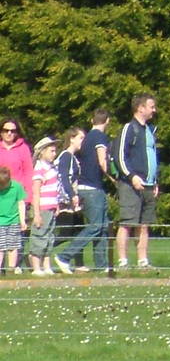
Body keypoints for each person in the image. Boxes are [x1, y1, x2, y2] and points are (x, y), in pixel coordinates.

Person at [58, 110, 112, 274]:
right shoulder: (100, 137)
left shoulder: (86, 139)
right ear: (107, 121)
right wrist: (114, 179)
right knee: (96, 226)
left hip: (87, 188)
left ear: (91, 120)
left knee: (102, 226)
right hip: (92, 188)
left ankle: (101, 265)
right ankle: (64, 256)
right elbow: (102, 162)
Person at [115, 92, 160, 270]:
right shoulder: (129, 128)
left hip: (148, 185)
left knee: (144, 225)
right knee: (127, 223)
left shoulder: (149, 130)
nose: (154, 110)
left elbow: (152, 157)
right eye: (151, 107)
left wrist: (155, 181)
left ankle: (143, 261)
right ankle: (123, 261)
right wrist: (132, 176)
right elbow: (119, 156)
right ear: (140, 108)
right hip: (130, 185)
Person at [49, 128, 85, 272]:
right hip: (66, 202)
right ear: (71, 139)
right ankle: (38, 253)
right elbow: (64, 178)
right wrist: (72, 195)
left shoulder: (72, 157)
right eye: (81, 138)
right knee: (66, 233)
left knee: (79, 231)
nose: (83, 141)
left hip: (72, 201)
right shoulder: (66, 156)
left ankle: (79, 263)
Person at [26, 136, 62, 276]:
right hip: (42, 208)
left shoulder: (52, 167)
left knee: (49, 237)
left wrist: (56, 205)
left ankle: (47, 266)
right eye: (51, 151)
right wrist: (37, 214)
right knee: (39, 236)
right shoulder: (40, 168)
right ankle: (36, 267)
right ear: (42, 152)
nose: (54, 154)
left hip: (51, 207)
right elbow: (36, 192)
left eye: (55, 151)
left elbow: (55, 189)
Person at [0, 119, 32, 214]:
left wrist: (28, 196)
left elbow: (28, 172)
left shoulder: (23, 148)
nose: (9, 133)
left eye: (13, 131)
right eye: (6, 130)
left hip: (17, 196)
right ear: (1, 132)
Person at [0, 166, 23, 274]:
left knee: (13, 246)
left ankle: (11, 269)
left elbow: (21, 203)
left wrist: (22, 220)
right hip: (0, 222)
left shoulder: (17, 187)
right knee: (0, 247)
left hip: (14, 221)